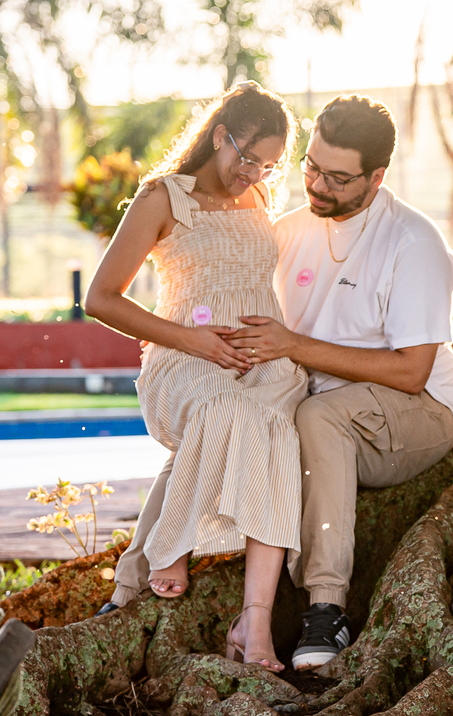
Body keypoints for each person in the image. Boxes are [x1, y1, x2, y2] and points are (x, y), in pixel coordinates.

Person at [222, 94, 453, 670]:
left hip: (419, 410)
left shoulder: (413, 243)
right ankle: (145, 576)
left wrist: (294, 346)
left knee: (317, 416)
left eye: (337, 177)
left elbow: (412, 371)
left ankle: (326, 611)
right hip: (323, 405)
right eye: (311, 167)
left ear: (376, 177)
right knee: (238, 409)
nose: (317, 185)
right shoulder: (288, 231)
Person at [85, 82, 306, 672]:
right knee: (222, 410)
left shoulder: (259, 196)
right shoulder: (163, 197)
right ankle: (172, 544)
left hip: (265, 360)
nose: (253, 173)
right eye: (248, 157)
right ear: (219, 136)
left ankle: (255, 624)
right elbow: (100, 298)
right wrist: (193, 340)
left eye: (268, 165)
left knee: (276, 427)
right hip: (185, 357)